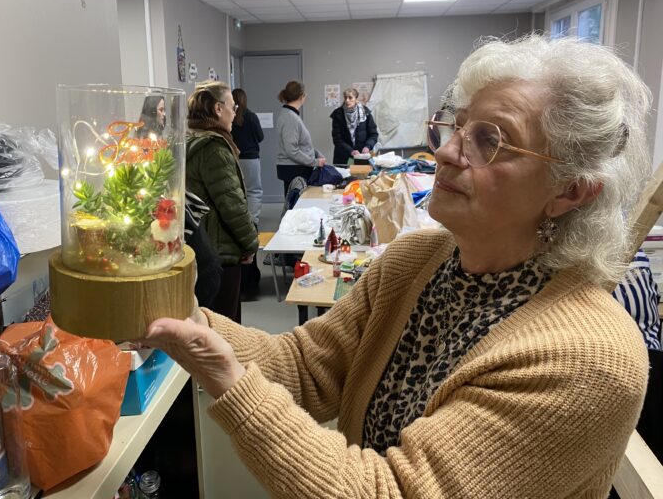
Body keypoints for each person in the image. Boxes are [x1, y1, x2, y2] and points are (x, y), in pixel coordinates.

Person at [141, 35, 651, 498]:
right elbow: (304, 367)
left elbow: (392, 492)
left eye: (489, 140)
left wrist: (231, 381)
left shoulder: (587, 360)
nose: (447, 152)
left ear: (570, 190)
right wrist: (191, 323)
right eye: (457, 126)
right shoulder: (417, 262)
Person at [185, 80, 258, 323]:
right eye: (232, 106)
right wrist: (250, 244)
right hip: (221, 253)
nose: (235, 112)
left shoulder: (193, 138)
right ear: (218, 109)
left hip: (204, 248)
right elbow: (232, 206)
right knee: (225, 327)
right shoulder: (214, 149)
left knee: (208, 323)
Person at [275, 80, 325, 195]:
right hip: (294, 170)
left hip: (295, 169)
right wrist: (314, 161)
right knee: (295, 207)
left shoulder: (290, 114)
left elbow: (301, 144)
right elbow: (292, 150)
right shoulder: (290, 118)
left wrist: (315, 153)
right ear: (302, 96)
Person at [230, 88, 264, 227]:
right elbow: (260, 137)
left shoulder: (229, 117)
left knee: (237, 191)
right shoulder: (251, 116)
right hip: (250, 159)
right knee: (254, 191)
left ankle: (239, 221)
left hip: (234, 158)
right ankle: (252, 222)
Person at [330, 87, 379, 165]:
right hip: (343, 157)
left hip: (362, 156)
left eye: (350, 98)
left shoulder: (365, 112)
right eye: (345, 98)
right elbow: (337, 139)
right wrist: (351, 151)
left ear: (356, 99)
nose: (347, 100)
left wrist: (367, 146)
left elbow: (373, 134)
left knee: (362, 176)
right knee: (345, 176)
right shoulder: (338, 114)